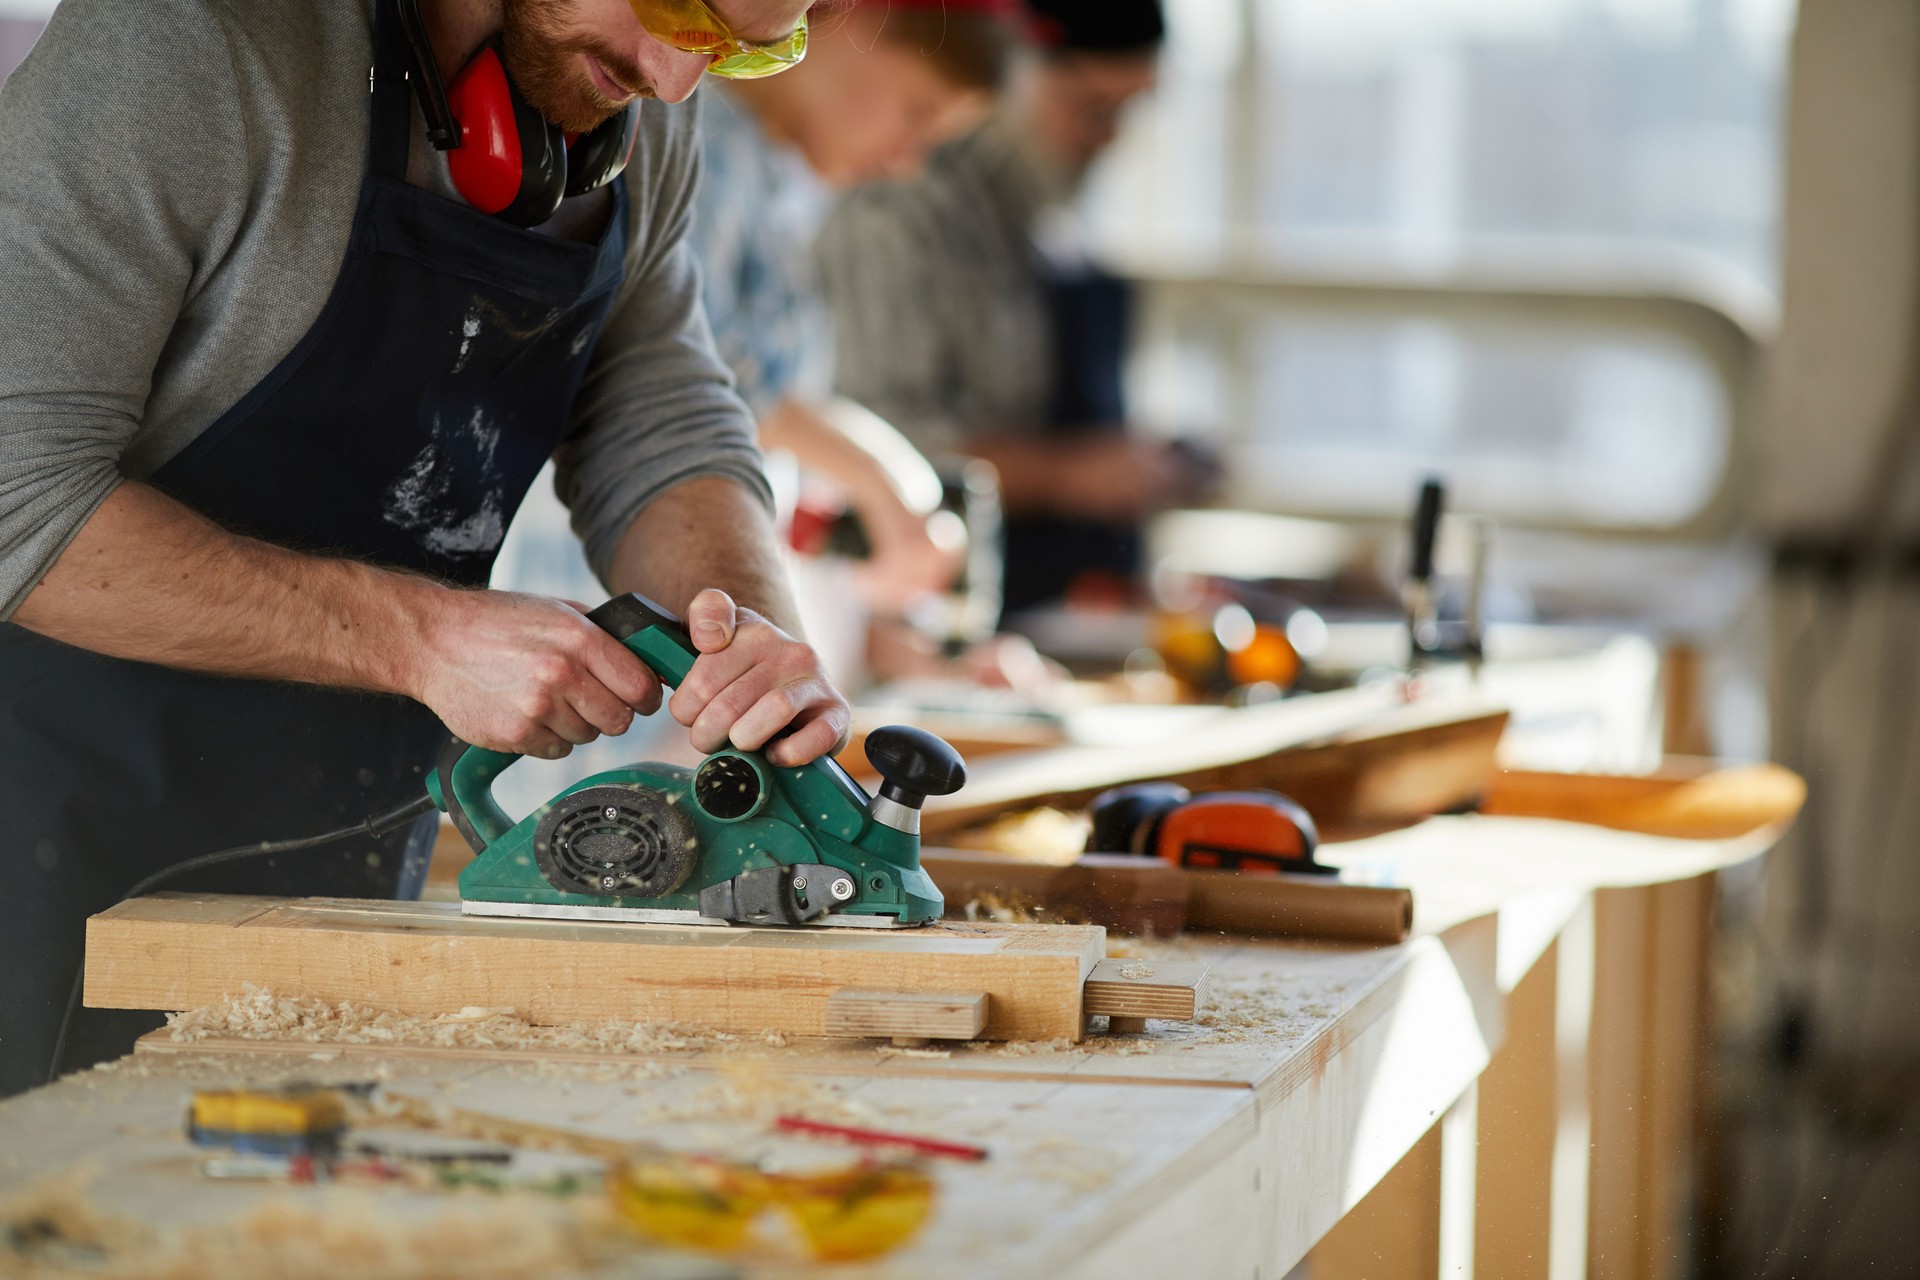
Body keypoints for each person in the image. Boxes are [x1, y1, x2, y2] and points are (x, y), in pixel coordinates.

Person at [0, 0, 841, 1097]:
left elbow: (661, 425)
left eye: (744, 43)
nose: (679, 80)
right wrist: (418, 637)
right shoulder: (194, 44)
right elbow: (18, 492)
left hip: (331, 881)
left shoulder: (629, 114)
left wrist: (748, 645)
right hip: (44, 844)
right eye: (675, 6)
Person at [817, 0, 1216, 615]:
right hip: (918, 606)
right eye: (1093, 109)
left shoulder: (1053, 207)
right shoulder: (896, 200)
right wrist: (1070, 475)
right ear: (1011, 68)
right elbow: (879, 439)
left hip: (1059, 608)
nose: (1111, 135)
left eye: (1131, 110)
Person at [690, 0, 1011, 617]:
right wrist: (874, 472)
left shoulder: (776, 183)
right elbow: (697, 375)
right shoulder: (700, 143)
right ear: (863, 21)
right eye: (916, 114)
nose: (907, 162)